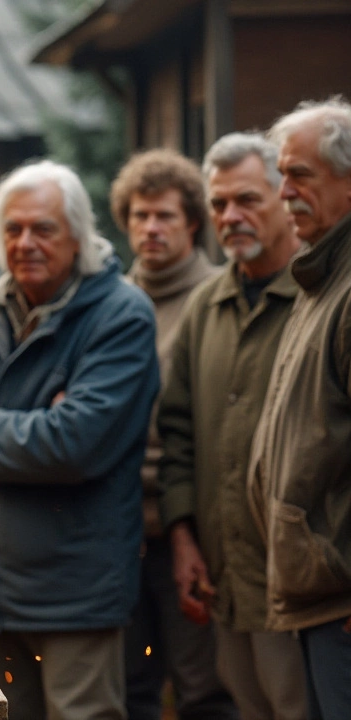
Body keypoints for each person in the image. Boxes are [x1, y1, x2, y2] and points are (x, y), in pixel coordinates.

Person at [0, 160, 159, 720]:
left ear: (77, 236)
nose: (26, 242)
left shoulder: (121, 314)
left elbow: (73, 445)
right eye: (13, 229)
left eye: (43, 228)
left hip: (77, 592)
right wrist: (31, 423)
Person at [159, 132, 306, 720]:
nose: (230, 217)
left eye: (247, 200)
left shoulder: (318, 299)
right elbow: (178, 435)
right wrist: (183, 538)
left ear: (286, 197)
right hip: (222, 577)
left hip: (300, 582)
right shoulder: (205, 305)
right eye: (219, 205)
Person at [109, 149, 235, 720]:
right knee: (129, 684)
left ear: (192, 222)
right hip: (117, 525)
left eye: (164, 216)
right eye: (139, 216)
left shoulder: (218, 298)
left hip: (194, 526)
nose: (151, 228)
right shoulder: (108, 303)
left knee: (202, 688)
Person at [250, 97, 351, 720]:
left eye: (300, 174)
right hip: (318, 591)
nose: (283, 190)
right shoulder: (320, 276)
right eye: (281, 174)